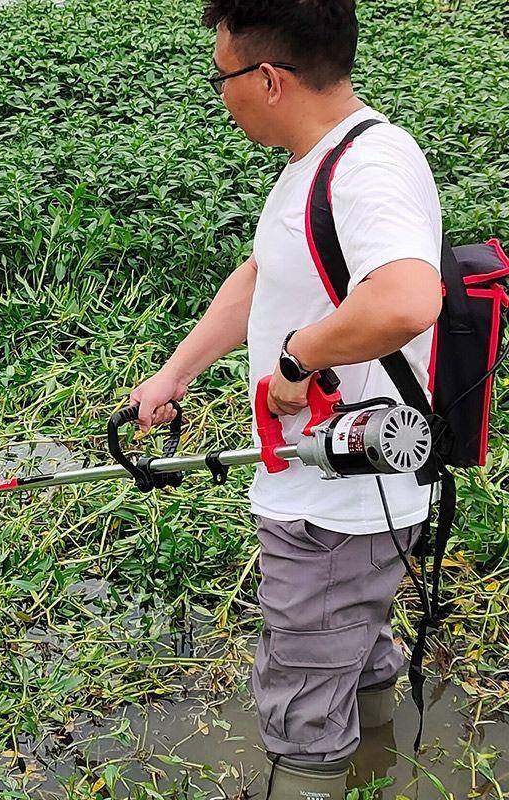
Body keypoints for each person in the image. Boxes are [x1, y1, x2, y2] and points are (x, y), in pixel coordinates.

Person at [128, 1, 443, 797]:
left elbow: (408, 298)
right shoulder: (316, 163)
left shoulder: (368, 165)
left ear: (267, 78)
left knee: (302, 703)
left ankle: (323, 774)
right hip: (335, 499)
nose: (219, 93)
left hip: (336, 509)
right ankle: (383, 763)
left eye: (221, 77)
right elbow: (264, 274)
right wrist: (177, 372)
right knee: (355, 647)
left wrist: (297, 363)